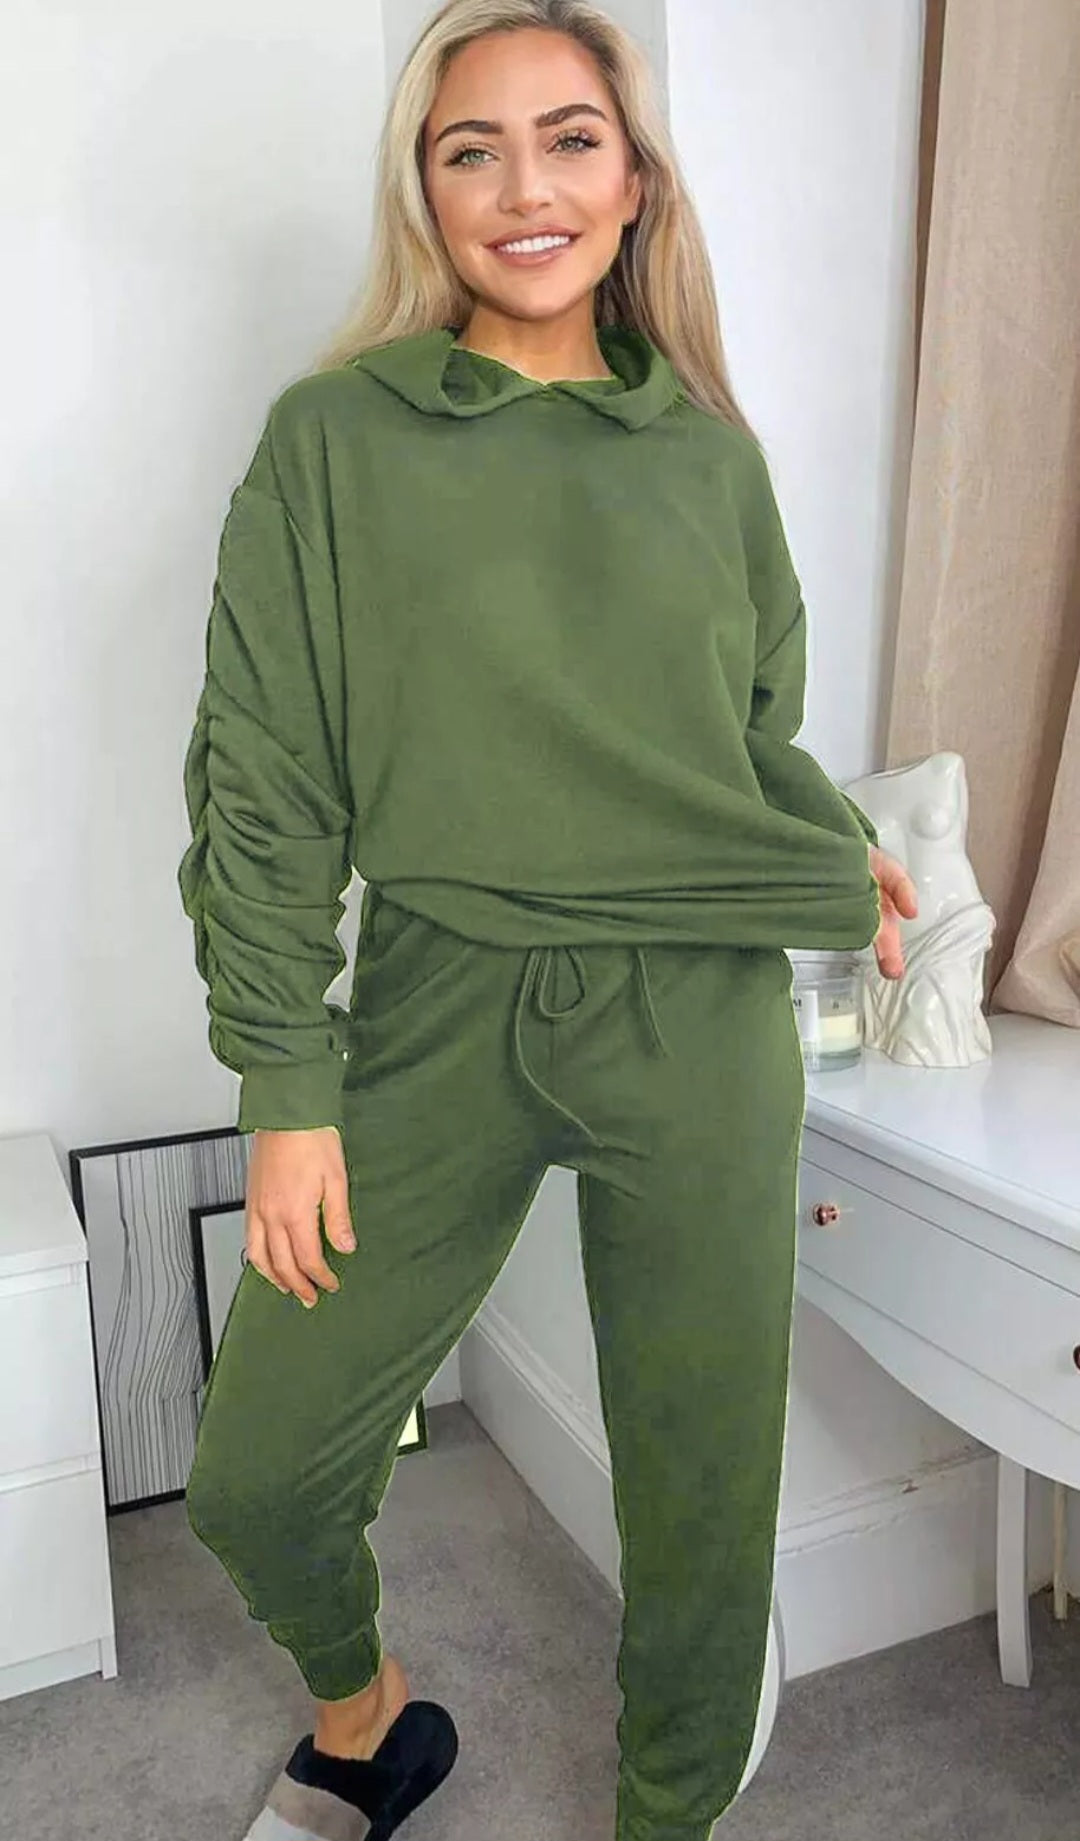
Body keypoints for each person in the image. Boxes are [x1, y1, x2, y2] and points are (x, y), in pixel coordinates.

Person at [176, 3, 919, 1837]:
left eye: (571, 138)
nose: (527, 188)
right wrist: (285, 1081)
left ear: (635, 177)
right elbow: (264, 778)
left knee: (699, 1480)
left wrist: (835, 839)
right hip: (438, 997)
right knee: (259, 1466)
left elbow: (739, 741)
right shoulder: (334, 440)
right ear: (424, 194)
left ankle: (671, 1812)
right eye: (472, 149)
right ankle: (368, 1717)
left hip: (699, 1011)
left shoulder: (711, 460)